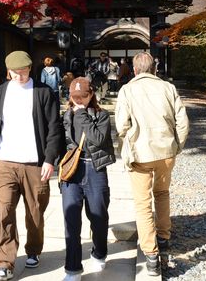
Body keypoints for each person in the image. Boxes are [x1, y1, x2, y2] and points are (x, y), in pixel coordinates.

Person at [0, 50, 64, 281]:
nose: (20, 76)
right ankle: (5, 262)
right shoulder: (0, 93)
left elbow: (54, 128)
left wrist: (49, 159)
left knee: (35, 212)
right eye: (16, 72)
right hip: (5, 161)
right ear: (8, 71)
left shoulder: (43, 92)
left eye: (24, 71)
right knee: (4, 210)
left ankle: (34, 250)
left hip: (34, 163)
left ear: (30, 69)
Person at [115, 52, 189, 276]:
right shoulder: (169, 88)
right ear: (154, 68)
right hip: (165, 150)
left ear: (135, 70)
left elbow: (120, 125)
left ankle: (151, 255)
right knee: (163, 194)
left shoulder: (127, 90)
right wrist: (177, 146)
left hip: (140, 153)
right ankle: (164, 238)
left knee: (143, 203)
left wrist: (127, 141)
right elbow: (183, 122)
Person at [60, 77, 115, 281]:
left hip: (95, 169)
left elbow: (98, 139)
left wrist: (82, 114)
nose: (79, 100)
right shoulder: (66, 116)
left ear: (91, 94)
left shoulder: (101, 115)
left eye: (83, 96)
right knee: (71, 220)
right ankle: (72, 269)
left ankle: (99, 252)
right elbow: (62, 142)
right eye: (75, 97)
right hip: (72, 172)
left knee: (98, 217)